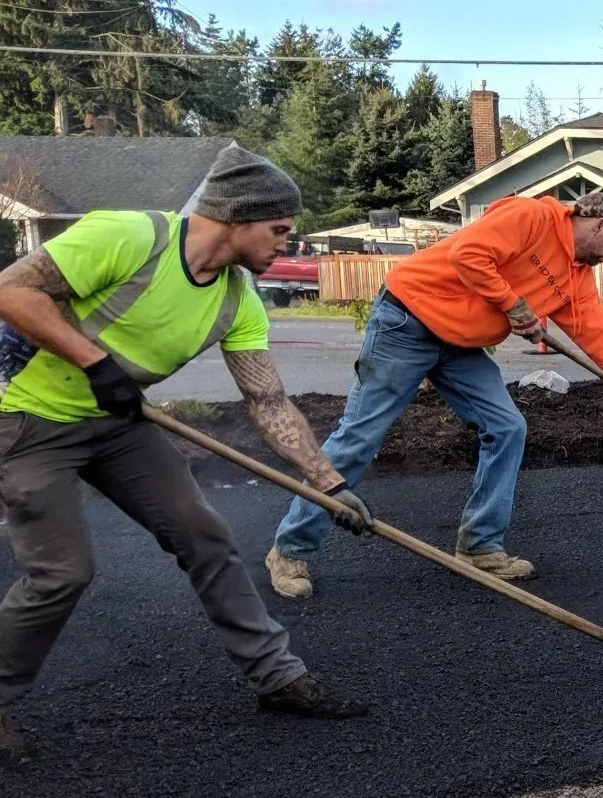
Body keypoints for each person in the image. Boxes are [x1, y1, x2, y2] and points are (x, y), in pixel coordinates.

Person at [0, 145, 373, 760]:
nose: (289, 244)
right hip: (26, 416)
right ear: (238, 218)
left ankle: (278, 678)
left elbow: (270, 401)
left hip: (118, 423)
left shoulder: (238, 300)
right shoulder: (128, 236)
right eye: (280, 230)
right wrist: (96, 365)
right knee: (62, 571)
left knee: (205, 534)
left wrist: (328, 485)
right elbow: (12, 290)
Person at [265, 191, 603, 598]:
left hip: (460, 346)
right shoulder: (531, 217)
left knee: (507, 427)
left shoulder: (576, 277)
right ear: (599, 223)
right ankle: (290, 551)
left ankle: (480, 547)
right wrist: (513, 305)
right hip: (407, 321)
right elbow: (466, 255)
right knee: (359, 437)